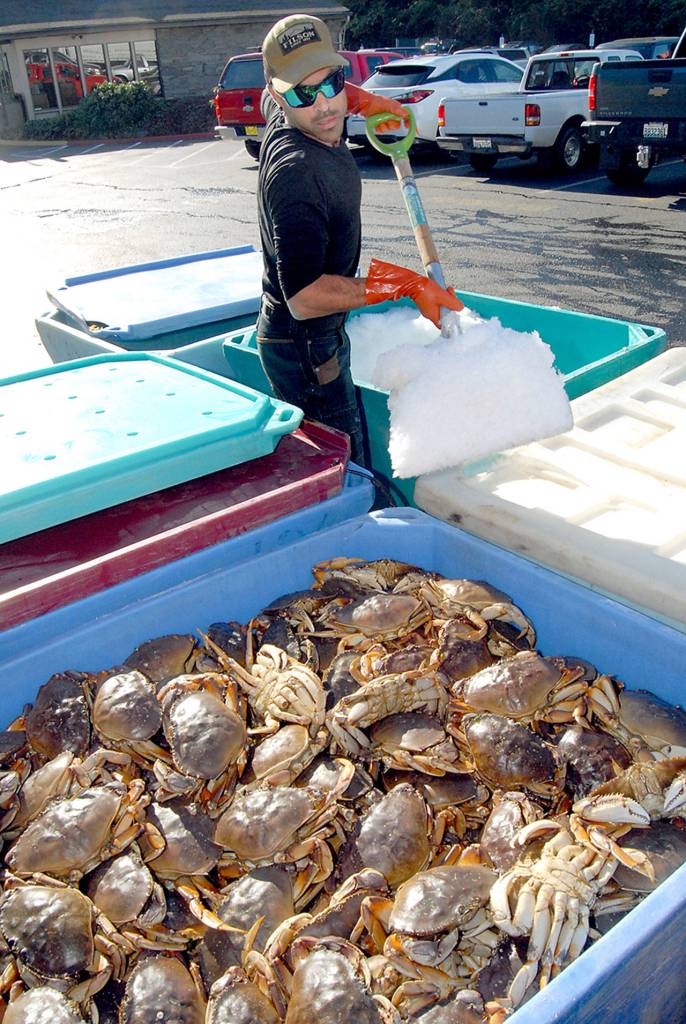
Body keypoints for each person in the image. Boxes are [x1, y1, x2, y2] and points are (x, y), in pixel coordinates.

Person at [256, 14, 463, 463]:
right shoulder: (298, 174)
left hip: (310, 336)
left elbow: (322, 93)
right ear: (278, 95)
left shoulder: (294, 107)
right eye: (303, 94)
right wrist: (405, 284)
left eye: (332, 81)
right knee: (345, 465)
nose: (325, 104)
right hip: (305, 347)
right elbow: (305, 297)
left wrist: (371, 104)